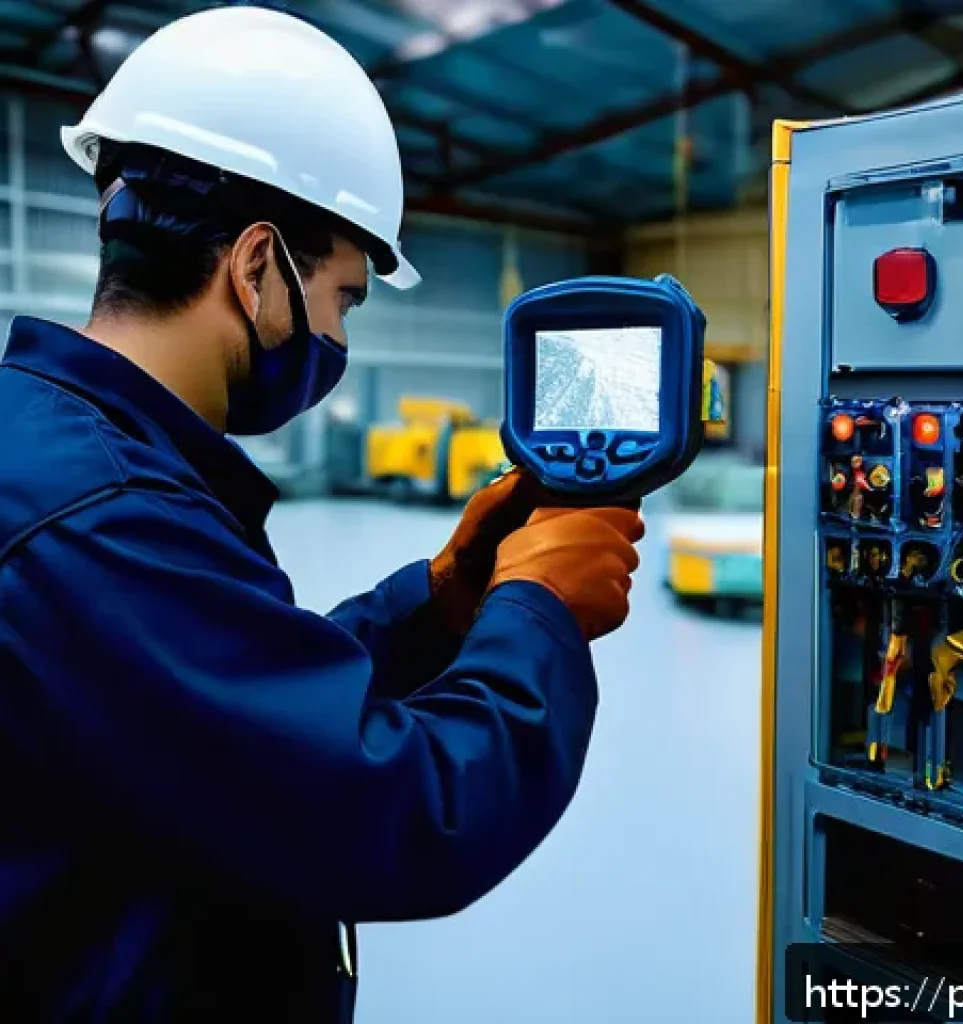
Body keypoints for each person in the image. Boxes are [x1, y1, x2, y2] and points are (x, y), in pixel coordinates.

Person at [0, 6, 644, 1022]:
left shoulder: (61, 454)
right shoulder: (102, 515)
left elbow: (219, 704)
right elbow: (402, 808)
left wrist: (437, 603)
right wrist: (541, 609)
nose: (338, 336)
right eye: (344, 298)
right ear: (257, 266)